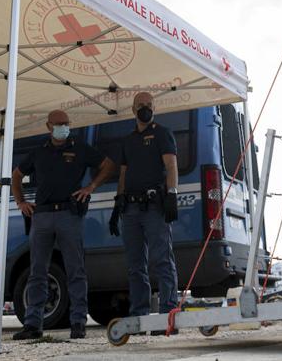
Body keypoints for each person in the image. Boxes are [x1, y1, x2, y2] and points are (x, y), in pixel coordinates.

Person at [11, 109, 116, 341]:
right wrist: (21, 202)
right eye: (59, 124)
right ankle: (33, 324)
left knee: (75, 270)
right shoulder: (39, 151)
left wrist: (90, 187)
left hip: (69, 214)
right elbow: (16, 175)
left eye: (66, 123)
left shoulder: (79, 147)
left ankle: (78, 322)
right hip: (42, 216)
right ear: (48, 126)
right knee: (37, 271)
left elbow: (108, 165)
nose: (63, 127)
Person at [107, 92, 180, 328]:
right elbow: (123, 173)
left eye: (149, 105)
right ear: (133, 109)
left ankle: (169, 314)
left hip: (154, 207)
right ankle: (139, 315)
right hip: (130, 209)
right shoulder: (128, 140)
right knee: (135, 266)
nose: (145, 108)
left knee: (162, 260)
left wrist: (172, 195)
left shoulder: (162, 133)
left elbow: (171, 165)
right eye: (140, 105)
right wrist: (117, 203)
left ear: (154, 108)